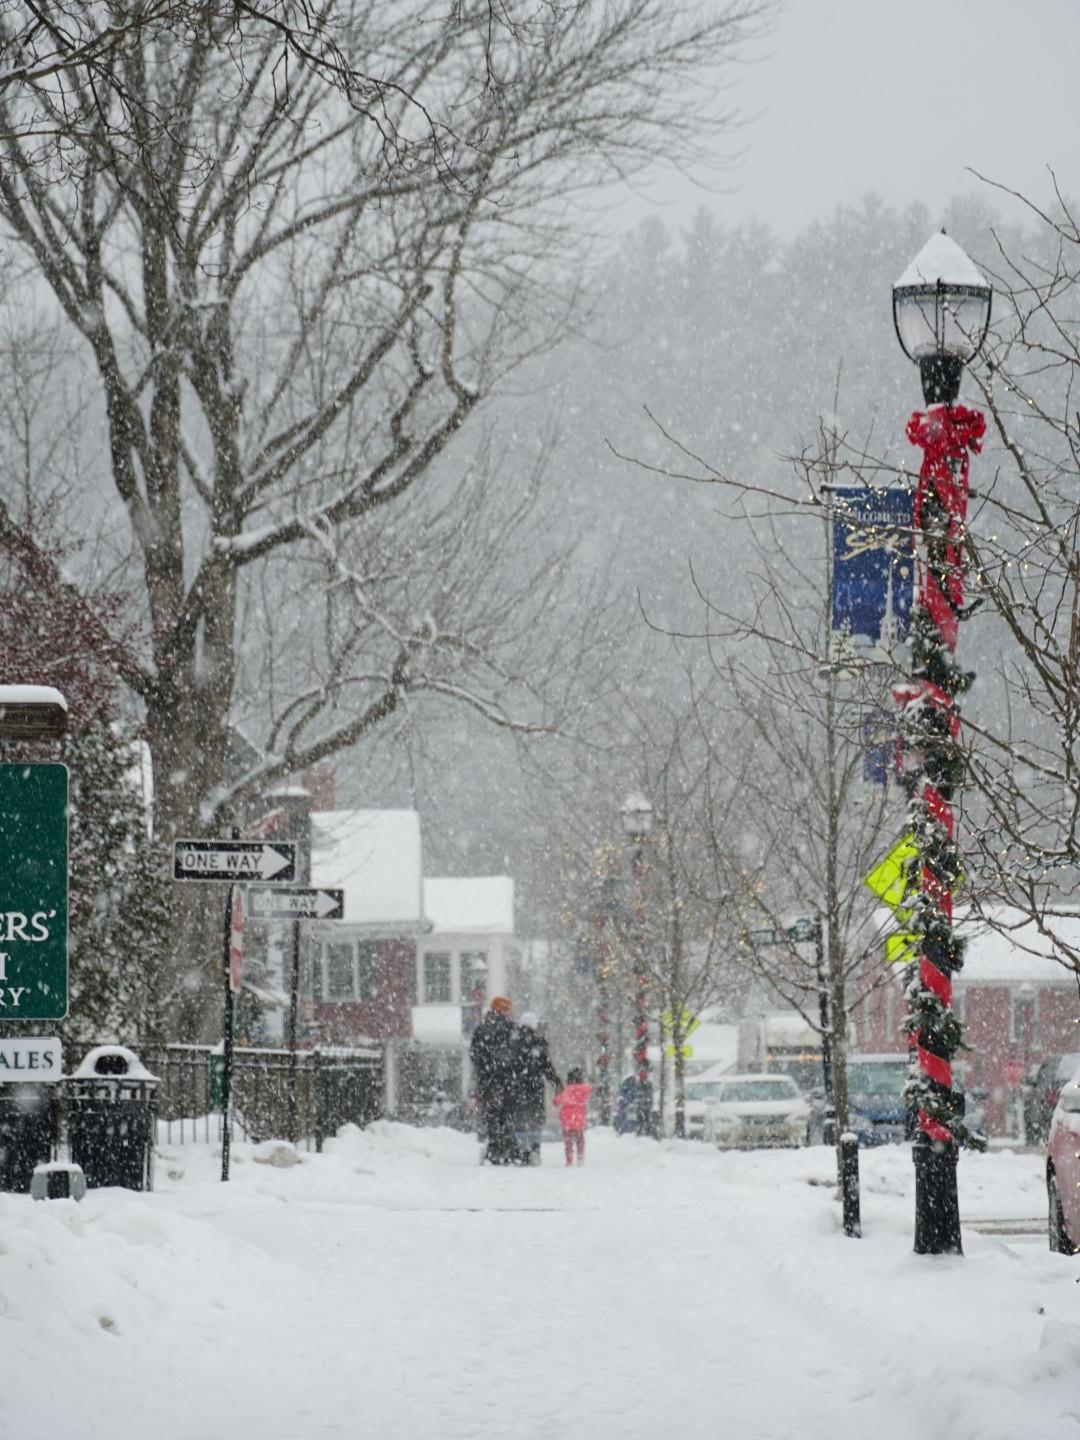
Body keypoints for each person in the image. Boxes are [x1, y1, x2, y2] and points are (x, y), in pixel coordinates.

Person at [508, 1011, 561, 1165]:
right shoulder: (539, 1044)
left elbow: (508, 1066)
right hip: (535, 1088)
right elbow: (548, 1068)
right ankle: (535, 1150)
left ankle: (522, 1151)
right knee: (535, 1120)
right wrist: (556, 1082)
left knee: (519, 1121)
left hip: (517, 1088)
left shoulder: (514, 1044)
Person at [469, 997, 518, 1164]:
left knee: (492, 1117)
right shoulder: (512, 1030)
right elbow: (519, 1056)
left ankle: (494, 1150)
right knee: (507, 1116)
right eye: (508, 1010)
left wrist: (485, 1071)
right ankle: (509, 1151)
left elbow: (474, 1055)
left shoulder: (482, 1030)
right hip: (509, 1082)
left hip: (488, 1083)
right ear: (503, 1010)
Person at [554, 1066, 592, 1167]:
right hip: (579, 1120)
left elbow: (557, 1101)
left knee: (568, 1143)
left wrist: (557, 1094)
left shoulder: (565, 1090)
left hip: (567, 1121)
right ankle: (580, 1157)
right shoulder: (584, 1090)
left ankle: (569, 1160)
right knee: (580, 1140)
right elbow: (589, 1090)